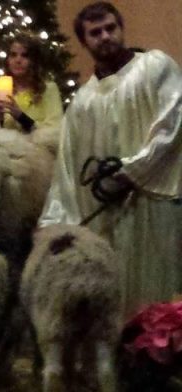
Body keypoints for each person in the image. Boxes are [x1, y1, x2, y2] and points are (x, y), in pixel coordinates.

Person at [39, 1, 182, 314]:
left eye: (110, 28)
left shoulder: (156, 67)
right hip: (108, 214)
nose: (105, 37)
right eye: (95, 33)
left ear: (121, 29)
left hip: (154, 204)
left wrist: (131, 173)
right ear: (84, 42)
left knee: (159, 284)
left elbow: (172, 125)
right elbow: (69, 167)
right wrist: (54, 222)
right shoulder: (83, 101)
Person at [0, 34, 64, 133]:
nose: (18, 60)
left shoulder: (48, 89)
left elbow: (55, 131)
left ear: (34, 61)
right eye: (13, 55)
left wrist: (21, 116)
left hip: (38, 147)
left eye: (24, 56)